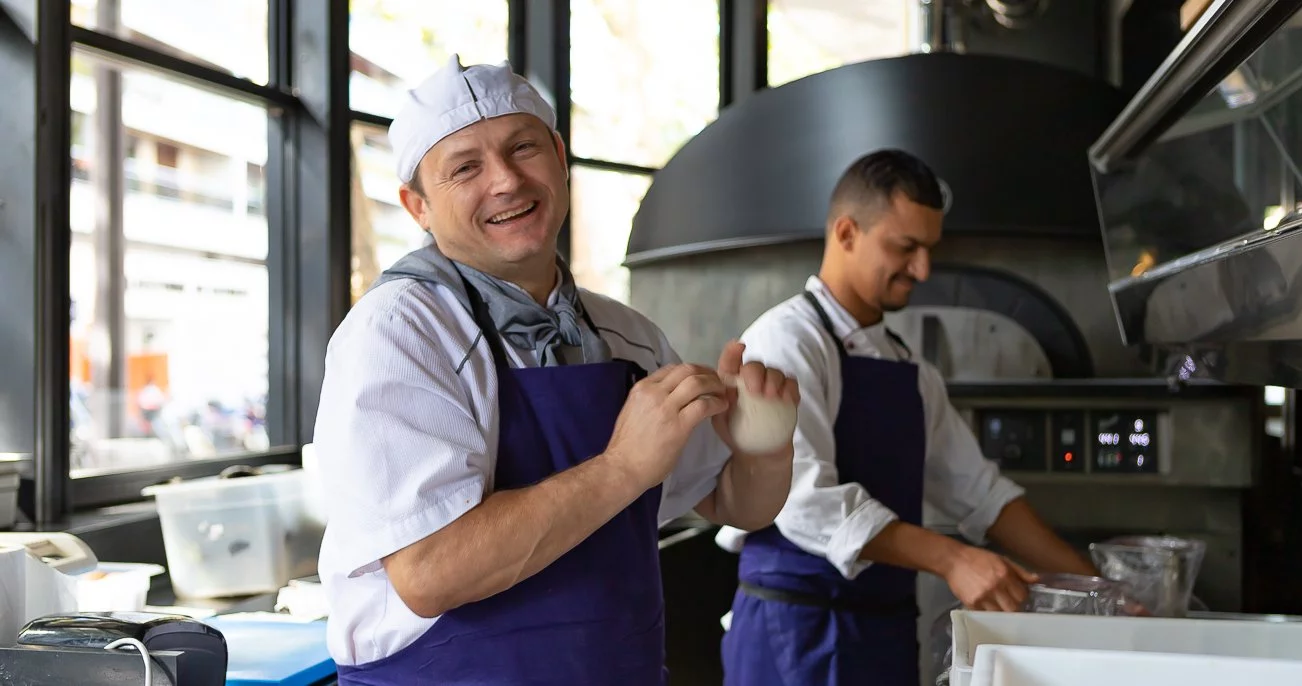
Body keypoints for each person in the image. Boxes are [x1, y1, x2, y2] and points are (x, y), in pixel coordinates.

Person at [312, 56, 800, 685]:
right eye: (465, 167)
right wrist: (624, 466)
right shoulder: (400, 333)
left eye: (523, 148)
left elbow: (734, 502)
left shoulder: (626, 336)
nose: (507, 181)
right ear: (417, 206)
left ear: (559, 156)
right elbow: (430, 571)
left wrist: (765, 446)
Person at [717, 149, 1098, 685]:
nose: (923, 269)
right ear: (846, 232)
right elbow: (802, 501)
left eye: (929, 249)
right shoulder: (786, 342)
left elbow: (982, 494)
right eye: (906, 247)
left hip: (882, 637)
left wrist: (1098, 590)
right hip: (794, 635)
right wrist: (954, 560)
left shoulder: (911, 369)